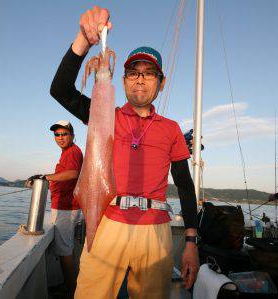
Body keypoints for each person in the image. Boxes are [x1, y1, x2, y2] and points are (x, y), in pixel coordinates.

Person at [50, 6, 199, 298]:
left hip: (156, 232)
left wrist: (191, 242)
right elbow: (60, 89)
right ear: (124, 79)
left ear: (161, 81)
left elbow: (184, 185)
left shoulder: (171, 129)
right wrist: (83, 40)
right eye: (133, 73)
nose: (140, 79)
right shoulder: (104, 114)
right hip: (108, 223)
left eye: (149, 73)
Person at [26, 120, 83, 298]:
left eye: (64, 134)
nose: (60, 137)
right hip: (65, 207)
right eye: (57, 135)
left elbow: (73, 173)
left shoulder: (73, 152)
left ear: (72, 135)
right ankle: (70, 286)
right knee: (68, 249)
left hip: (66, 209)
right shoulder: (67, 153)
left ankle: (71, 291)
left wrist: (44, 177)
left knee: (65, 251)